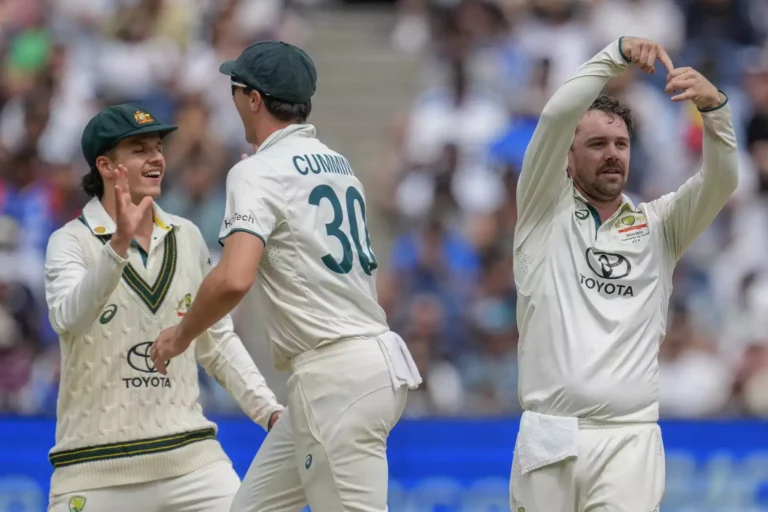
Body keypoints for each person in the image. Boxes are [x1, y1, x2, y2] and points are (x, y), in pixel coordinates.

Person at [150, 41, 422, 512]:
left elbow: (234, 278)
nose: (232, 99)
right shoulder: (340, 165)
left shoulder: (256, 172)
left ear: (254, 99)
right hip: (361, 365)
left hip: (335, 376)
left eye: (236, 88)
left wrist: (180, 336)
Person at [509, 37, 738, 511]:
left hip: (629, 439)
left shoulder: (660, 226)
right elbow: (555, 118)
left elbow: (721, 181)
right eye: (596, 144)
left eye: (621, 144)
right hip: (549, 431)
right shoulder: (541, 212)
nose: (613, 154)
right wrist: (612, 55)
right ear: (567, 159)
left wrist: (715, 110)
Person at [44, 103, 284, 512]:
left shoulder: (187, 237)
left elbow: (217, 342)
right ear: (105, 165)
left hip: (192, 463)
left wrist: (270, 413)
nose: (156, 157)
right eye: (139, 149)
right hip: (94, 470)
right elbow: (70, 317)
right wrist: (116, 247)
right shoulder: (70, 242)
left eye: (158, 147)